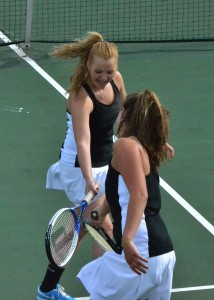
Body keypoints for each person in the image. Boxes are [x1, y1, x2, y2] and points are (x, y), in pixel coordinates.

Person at [37, 31, 126, 300]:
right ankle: (104, 288)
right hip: (78, 169)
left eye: (109, 72)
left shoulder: (116, 81)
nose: (104, 77)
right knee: (104, 226)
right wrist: (88, 177)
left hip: (106, 163)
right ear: (88, 65)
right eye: (99, 71)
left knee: (90, 227)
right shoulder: (81, 97)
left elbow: (124, 114)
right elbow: (83, 141)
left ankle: (49, 288)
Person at [76, 89, 176, 300]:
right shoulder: (143, 149)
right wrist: (101, 213)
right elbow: (124, 192)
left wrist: (127, 240)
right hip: (163, 253)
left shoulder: (124, 146)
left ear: (123, 114)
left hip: (139, 249)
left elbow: (140, 194)